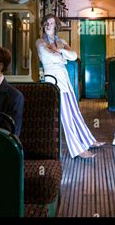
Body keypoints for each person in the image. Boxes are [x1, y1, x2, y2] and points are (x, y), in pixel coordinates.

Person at [36, 14, 104, 159]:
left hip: (65, 80)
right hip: (53, 81)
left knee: (75, 113)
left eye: (51, 23)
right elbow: (47, 56)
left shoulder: (61, 41)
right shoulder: (40, 42)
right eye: (46, 23)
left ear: (56, 26)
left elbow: (73, 56)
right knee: (66, 117)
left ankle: (88, 140)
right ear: (43, 25)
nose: (48, 25)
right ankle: (78, 150)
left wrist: (59, 51)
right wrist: (61, 54)